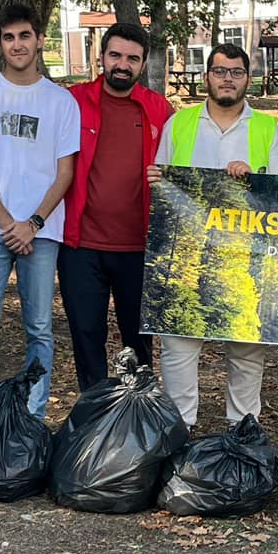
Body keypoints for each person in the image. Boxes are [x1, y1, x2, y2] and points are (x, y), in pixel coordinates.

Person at [149, 43, 278, 427]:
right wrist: (156, 181)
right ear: (207, 77)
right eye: (219, 71)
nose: (227, 79)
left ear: (248, 79)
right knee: (178, 345)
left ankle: (242, 432)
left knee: (246, 350)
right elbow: (163, 187)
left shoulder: (267, 129)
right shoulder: (178, 124)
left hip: (244, 258)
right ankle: (179, 430)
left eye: (236, 72)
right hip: (186, 255)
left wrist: (255, 181)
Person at [0, 4, 79, 421]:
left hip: (42, 232)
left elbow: (65, 173)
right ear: (0, 44)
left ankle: (30, 419)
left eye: (25, 35)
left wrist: (34, 223)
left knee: (40, 330)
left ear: (40, 39)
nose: (17, 44)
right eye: (8, 38)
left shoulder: (61, 102)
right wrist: (10, 223)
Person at [61, 21, 171, 390]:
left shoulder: (160, 110)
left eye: (132, 58)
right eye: (116, 55)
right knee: (86, 333)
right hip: (82, 244)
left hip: (139, 246)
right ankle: (93, 414)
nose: (123, 64)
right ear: (102, 57)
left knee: (138, 340)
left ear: (143, 64)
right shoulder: (73, 102)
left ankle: (137, 412)